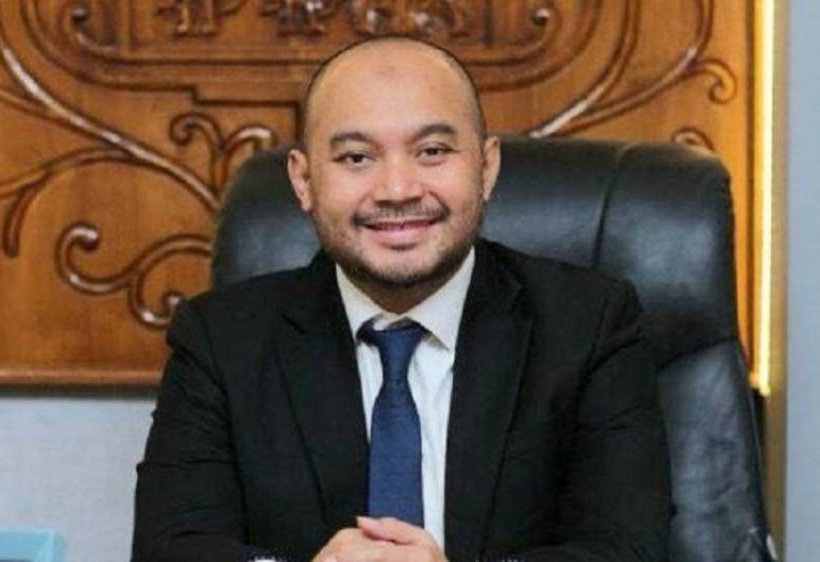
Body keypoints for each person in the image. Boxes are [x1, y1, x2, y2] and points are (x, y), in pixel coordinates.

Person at [132, 36, 671, 562]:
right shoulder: (220, 341)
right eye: (356, 157)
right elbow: (171, 548)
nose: (397, 189)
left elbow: (627, 548)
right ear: (304, 181)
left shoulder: (591, 325)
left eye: (432, 151)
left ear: (486, 168)